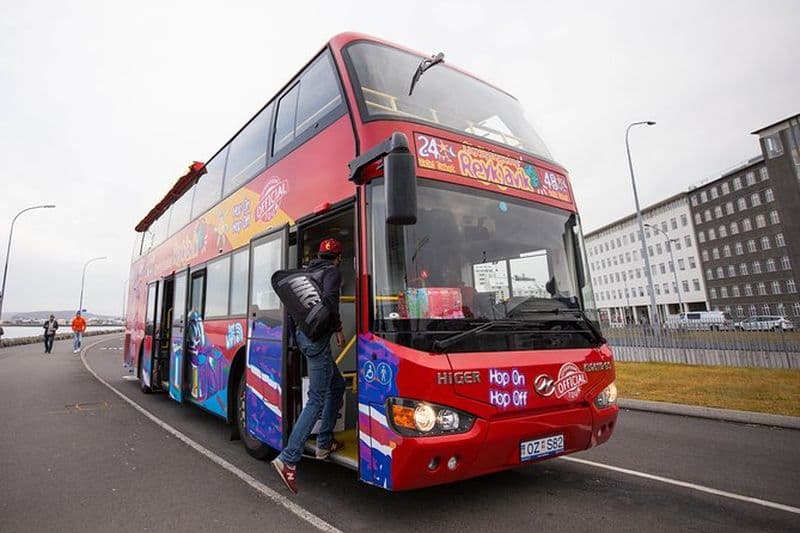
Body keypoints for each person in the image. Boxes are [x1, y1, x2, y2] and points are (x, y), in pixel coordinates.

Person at [272, 238, 346, 495]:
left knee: (337, 385)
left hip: (303, 338)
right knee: (316, 399)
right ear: (337, 258)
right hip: (317, 341)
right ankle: (288, 459)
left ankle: (324, 442)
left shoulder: (305, 273)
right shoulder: (332, 273)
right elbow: (330, 303)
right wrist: (337, 329)